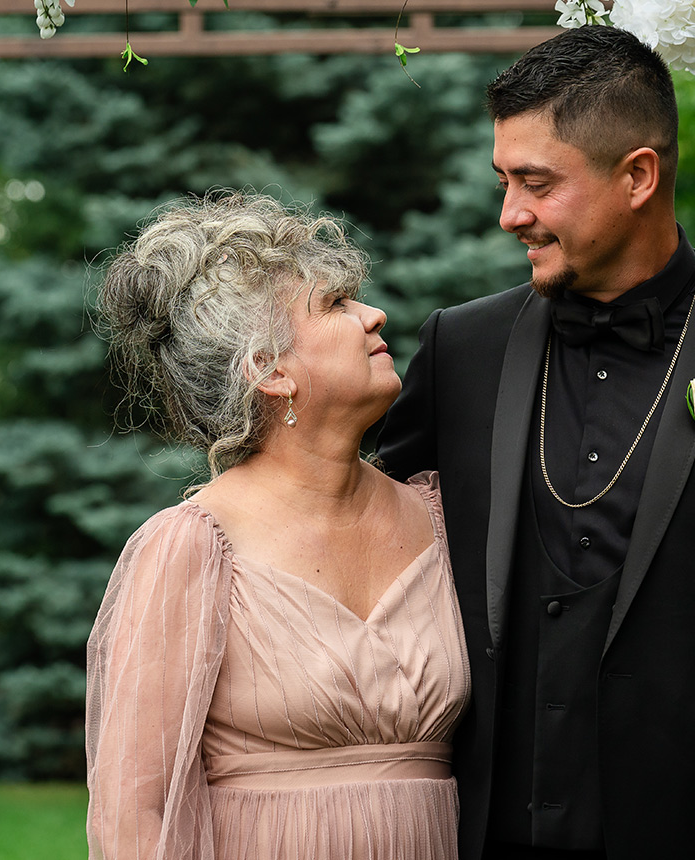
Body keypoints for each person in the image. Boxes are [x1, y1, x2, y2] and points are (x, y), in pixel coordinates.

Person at [377, 24, 695, 860]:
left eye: (536, 184)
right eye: (504, 180)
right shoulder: (459, 350)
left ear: (638, 176)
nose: (510, 212)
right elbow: (337, 511)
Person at [85, 193, 472, 859]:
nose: (373, 314)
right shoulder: (192, 547)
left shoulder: (442, 515)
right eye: (335, 305)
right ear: (269, 370)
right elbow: (133, 818)